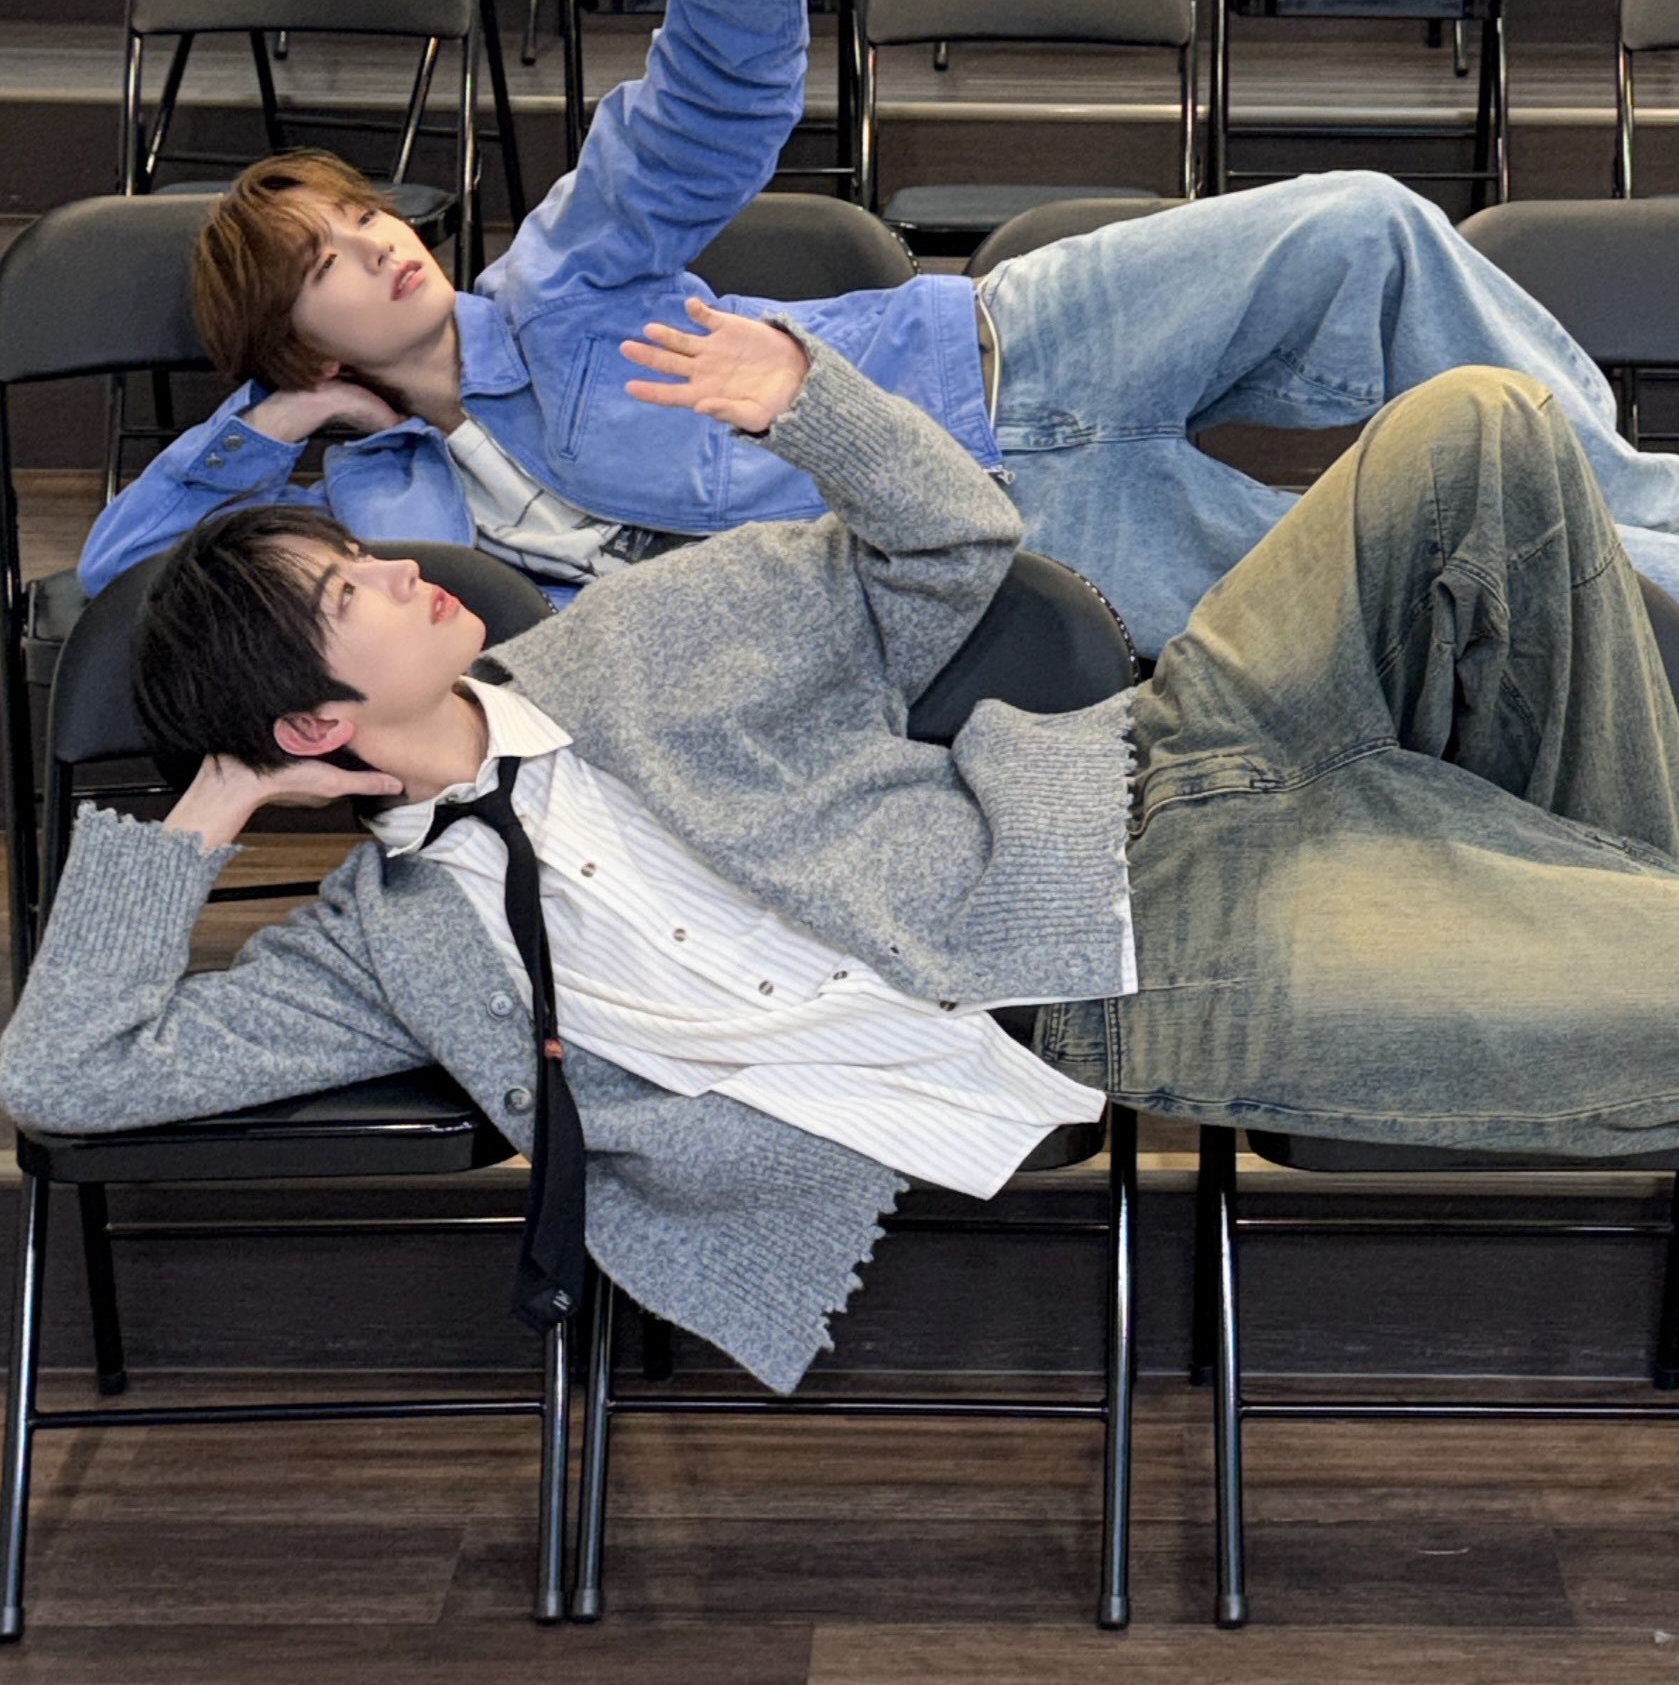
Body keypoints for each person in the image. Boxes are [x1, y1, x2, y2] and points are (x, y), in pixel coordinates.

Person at [9, 304, 1679, 1393]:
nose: (398, 567)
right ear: (312, 723)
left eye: (355, 554)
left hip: (1161, 754)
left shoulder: (637, 637)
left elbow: (954, 541)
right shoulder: (386, 947)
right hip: (1143, 962)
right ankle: (1592, 919)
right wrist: (211, 804)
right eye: (342, 593)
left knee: (1483, 422)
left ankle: (1592, 903)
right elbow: (68, 1071)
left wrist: (815, 409)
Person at [75, 0, 1679, 659]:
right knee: (1389, 583)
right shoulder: (384, 522)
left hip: (1013, 351)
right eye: (327, 263)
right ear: (296, 340)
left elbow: (692, 132)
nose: (378, 244)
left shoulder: (553, 283)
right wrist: (271, 428)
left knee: (1359, 224)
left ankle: (1654, 513)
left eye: (366, 218)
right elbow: (119, 580)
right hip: (997, 543)